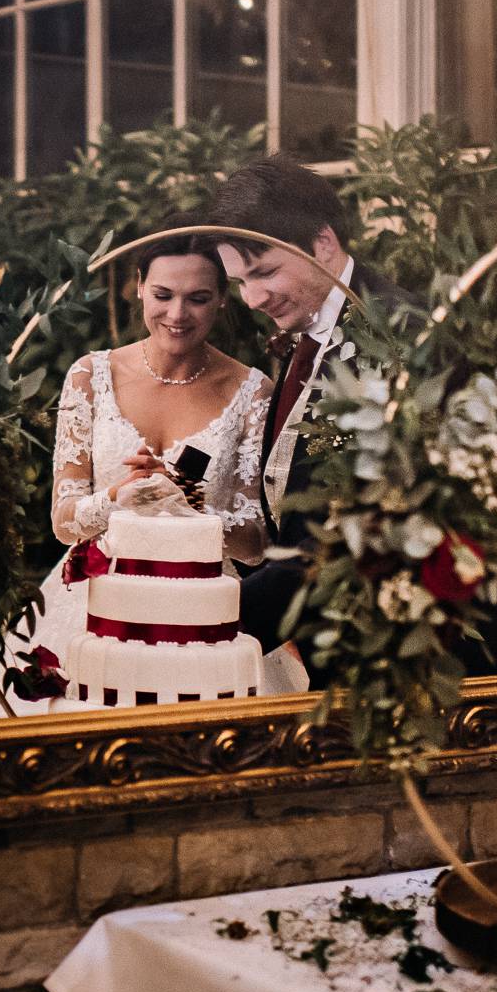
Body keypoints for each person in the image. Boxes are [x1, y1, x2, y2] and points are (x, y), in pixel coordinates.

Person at [0, 223, 304, 719]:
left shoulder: (252, 390)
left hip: (202, 608)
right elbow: (64, 522)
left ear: (223, 301)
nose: (177, 314)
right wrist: (116, 498)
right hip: (95, 592)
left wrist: (186, 499)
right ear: (140, 286)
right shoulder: (90, 374)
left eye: (198, 298)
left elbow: (255, 542)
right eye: (163, 294)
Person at [214, 154, 414, 656]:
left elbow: (365, 527)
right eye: (240, 282)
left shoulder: (396, 335)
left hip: (383, 651)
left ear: (323, 244)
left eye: (264, 273)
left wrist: (215, 620)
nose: (253, 298)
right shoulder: (309, 330)